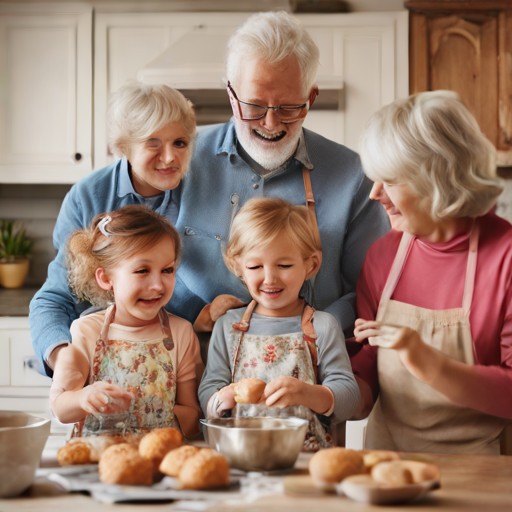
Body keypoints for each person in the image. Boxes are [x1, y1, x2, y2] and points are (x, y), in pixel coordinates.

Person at [173, 11, 389, 338]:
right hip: (195, 364)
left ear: (311, 98)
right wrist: (194, 314)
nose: (271, 123)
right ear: (231, 95)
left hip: (310, 364)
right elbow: (132, 265)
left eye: (288, 107)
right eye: (254, 106)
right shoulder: (177, 161)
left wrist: (318, 327)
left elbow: (370, 291)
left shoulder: (355, 177)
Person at [350, 90, 512, 454]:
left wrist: (426, 360)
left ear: (438, 178)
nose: (375, 194)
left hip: (482, 469)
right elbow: (369, 359)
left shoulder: (505, 257)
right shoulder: (382, 256)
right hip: (387, 463)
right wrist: (329, 395)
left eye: (389, 180)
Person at [30, 82, 197, 378]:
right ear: (124, 147)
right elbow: (55, 297)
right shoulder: (88, 197)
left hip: (185, 358)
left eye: (180, 143)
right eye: (153, 143)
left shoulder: (207, 189)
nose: (170, 157)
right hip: (108, 366)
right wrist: (65, 359)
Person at [198, 198, 360, 451]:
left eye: (284, 265)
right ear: (237, 266)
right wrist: (221, 399)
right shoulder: (228, 326)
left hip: (306, 460)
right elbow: (209, 387)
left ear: (311, 265)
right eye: (255, 266)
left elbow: (349, 397)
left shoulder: (323, 326)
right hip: (241, 456)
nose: (270, 278)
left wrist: (307, 394)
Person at [50, 205, 202, 438]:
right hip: (99, 464)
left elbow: (192, 418)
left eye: (167, 270)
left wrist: (144, 415)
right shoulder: (85, 331)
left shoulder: (181, 333)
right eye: (142, 270)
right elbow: (61, 408)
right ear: (105, 278)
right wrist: (84, 397)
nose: (157, 285)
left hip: (159, 462)